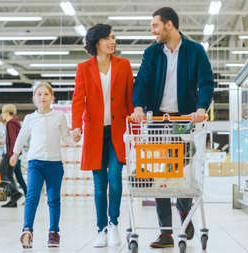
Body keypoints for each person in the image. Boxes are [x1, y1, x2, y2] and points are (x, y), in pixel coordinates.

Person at [130, 7, 214, 248]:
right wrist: (138, 107)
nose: (152, 30)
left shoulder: (195, 51)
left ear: (169, 25)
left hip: (183, 121)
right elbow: (142, 82)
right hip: (158, 120)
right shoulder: (152, 53)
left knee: (181, 171)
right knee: (159, 174)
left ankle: (184, 215)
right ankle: (166, 232)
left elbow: (206, 82)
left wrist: (201, 108)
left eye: (155, 25)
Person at [71, 24, 134, 248]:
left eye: (113, 37)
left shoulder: (124, 65)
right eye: (108, 38)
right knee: (99, 185)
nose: (112, 41)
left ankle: (114, 223)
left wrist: (135, 116)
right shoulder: (84, 68)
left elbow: (130, 97)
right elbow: (78, 100)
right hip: (95, 133)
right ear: (96, 42)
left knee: (115, 180)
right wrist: (76, 126)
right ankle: (101, 229)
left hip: (118, 132)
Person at [11, 82, 72, 249]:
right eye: (39, 94)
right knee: (32, 197)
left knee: (53, 199)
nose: (42, 97)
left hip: (54, 164)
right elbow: (22, 137)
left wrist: (74, 137)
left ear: (52, 97)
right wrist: (15, 154)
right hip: (35, 163)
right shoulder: (30, 118)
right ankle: (27, 230)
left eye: (46, 94)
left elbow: (66, 138)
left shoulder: (59, 117)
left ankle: (54, 232)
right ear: (34, 98)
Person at [0, 104, 26, 208]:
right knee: (9, 175)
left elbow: (13, 140)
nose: (2, 115)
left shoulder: (10, 123)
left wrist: (12, 155)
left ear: (6, 112)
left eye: (3, 113)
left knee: (2, 173)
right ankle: (13, 201)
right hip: (12, 153)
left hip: (10, 154)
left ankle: (15, 193)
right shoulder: (15, 123)